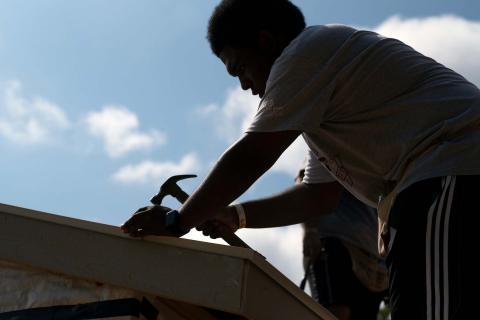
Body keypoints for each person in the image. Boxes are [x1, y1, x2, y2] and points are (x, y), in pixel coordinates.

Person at [122, 0, 480, 318]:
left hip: (450, 171)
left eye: (240, 68)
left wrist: (176, 222)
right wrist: (236, 216)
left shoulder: (306, 53)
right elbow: (317, 198)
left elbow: (251, 156)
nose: (244, 86)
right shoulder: (325, 109)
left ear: (266, 42)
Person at [296, 152, 388, 320]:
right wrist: (309, 231)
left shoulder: (380, 150)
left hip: (372, 261)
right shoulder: (331, 140)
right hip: (334, 243)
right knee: (335, 314)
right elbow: (306, 183)